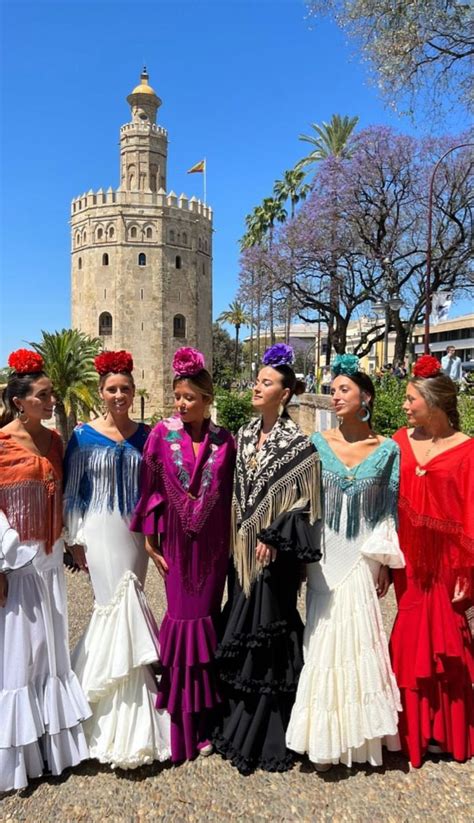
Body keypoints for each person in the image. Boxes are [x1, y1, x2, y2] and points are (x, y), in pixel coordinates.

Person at [286, 353, 404, 770]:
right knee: (323, 636)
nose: (335, 396)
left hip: (363, 552)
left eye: (344, 389)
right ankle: (320, 737)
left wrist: (384, 562)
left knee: (359, 638)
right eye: (332, 389)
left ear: (365, 396)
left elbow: (389, 510)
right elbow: (302, 501)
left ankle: (359, 739)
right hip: (324, 549)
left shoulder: (388, 450)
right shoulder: (317, 444)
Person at [213, 343, 322, 775]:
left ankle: (267, 732)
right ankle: (234, 721)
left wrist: (276, 534)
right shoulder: (242, 435)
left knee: (268, 631)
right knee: (240, 624)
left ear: (286, 393)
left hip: (274, 559)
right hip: (241, 553)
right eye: (257, 381)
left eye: (267, 382)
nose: (257, 387)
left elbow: (308, 504)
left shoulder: (299, 445)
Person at [63, 350, 170, 769]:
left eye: (125, 388)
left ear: (134, 390)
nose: (119, 395)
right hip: (100, 529)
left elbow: (160, 487)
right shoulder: (83, 437)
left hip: (136, 532)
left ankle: (134, 700)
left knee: (134, 602)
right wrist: (74, 538)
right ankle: (103, 707)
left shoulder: (150, 436)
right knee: (112, 604)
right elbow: (73, 491)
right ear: (101, 392)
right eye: (112, 389)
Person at [131, 347, 236, 763]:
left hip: (213, 550)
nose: (181, 404)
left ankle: (207, 719)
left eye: (189, 397)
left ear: (207, 399)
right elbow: (150, 488)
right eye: (177, 396)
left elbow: (232, 495)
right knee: (181, 622)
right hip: (176, 546)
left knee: (206, 627)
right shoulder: (162, 435)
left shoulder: (225, 441)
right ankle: (183, 723)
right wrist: (150, 539)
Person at [0, 349, 90, 793]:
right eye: (43, 395)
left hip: (50, 559)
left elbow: (66, 494)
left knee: (51, 650)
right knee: (22, 653)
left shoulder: (55, 442)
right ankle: (17, 758)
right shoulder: (0, 444)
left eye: (52, 393)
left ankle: (51, 746)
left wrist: (72, 540)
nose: (52, 401)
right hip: (17, 563)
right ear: (20, 401)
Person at [390, 354, 474, 767]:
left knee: (447, 642)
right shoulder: (398, 440)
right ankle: (412, 733)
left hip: (447, 565)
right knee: (409, 638)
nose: (405, 406)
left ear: (435, 402)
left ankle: (446, 732)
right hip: (407, 559)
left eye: (411, 399)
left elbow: (471, 513)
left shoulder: (468, 451)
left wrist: (467, 572)